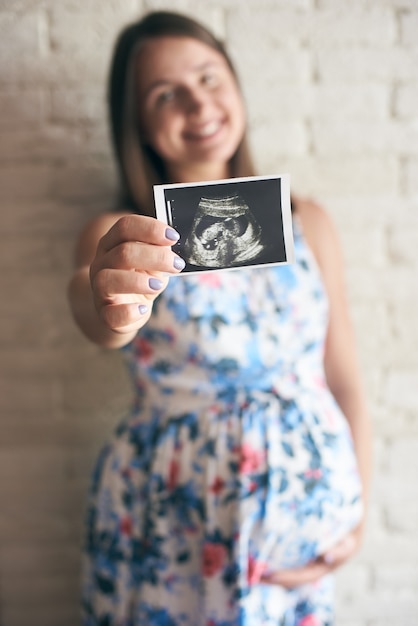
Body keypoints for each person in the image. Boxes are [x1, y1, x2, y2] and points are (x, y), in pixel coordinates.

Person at [68, 10, 372, 626]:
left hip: (297, 562)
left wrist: (356, 516)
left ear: (235, 85)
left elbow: (343, 380)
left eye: (209, 78)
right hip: (174, 538)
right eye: (165, 94)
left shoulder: (307, 221)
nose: (197, 104)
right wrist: (111, 298)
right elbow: (100, 316)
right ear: (141, 126)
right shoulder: (122, 237)